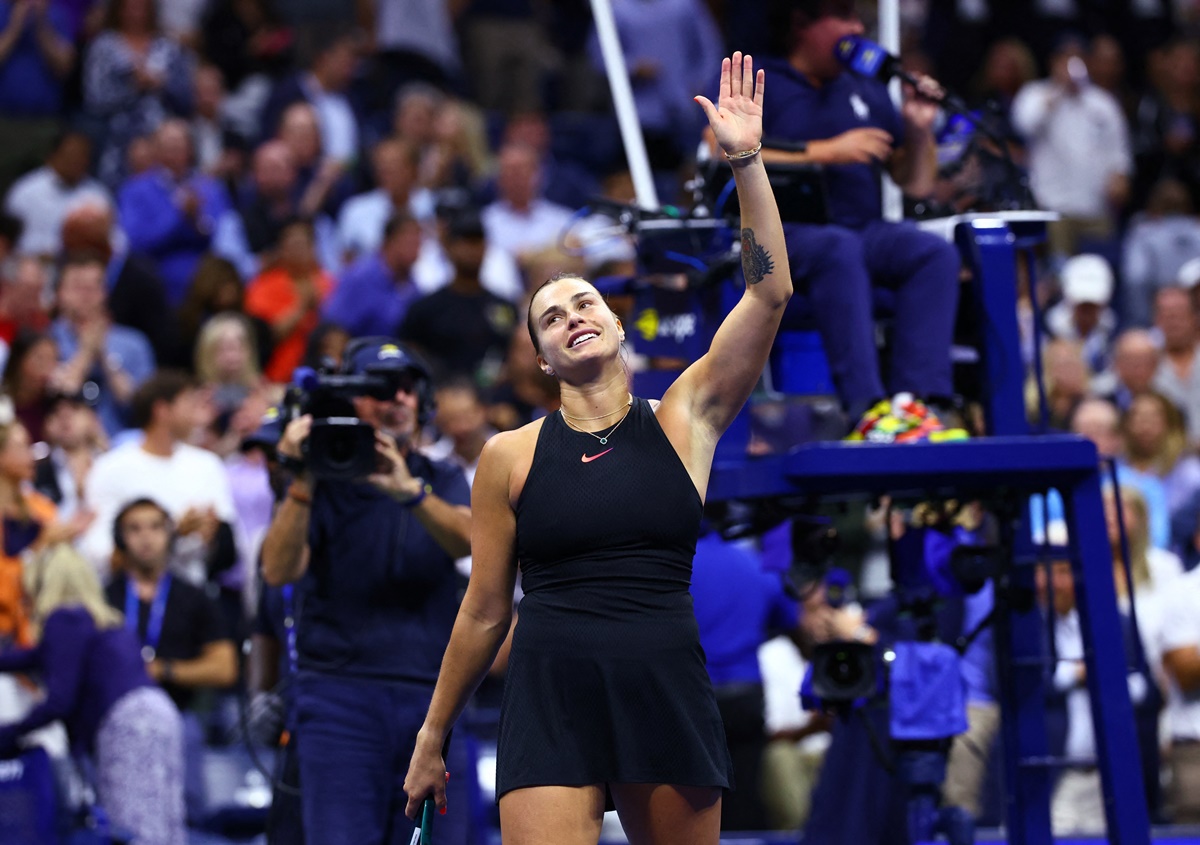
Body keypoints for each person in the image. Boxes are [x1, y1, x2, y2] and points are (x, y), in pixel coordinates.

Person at [403, 52, 790, 845]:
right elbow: (482, 611)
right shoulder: (508, 455)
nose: (572, 313)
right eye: (550, 315)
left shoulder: (687, 413)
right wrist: (432, 733)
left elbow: (769, 290)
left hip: (663, 682)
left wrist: (746, 162)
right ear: (540, 359)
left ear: (617, 326)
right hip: (551, 692)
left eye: (586, 300)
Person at [261, 337, 474, 845]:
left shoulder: (438, 477)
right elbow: (278, 570)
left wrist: (409, 493)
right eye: (379, 390)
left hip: (433, 698)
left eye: (405, 390)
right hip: (338, 698)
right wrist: (302, 476)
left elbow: (471, 541)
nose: (396, 400)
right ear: (349, 402)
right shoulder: (321, 482)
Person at [747, 0, 962, 440]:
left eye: (857, 19)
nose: (855, 28)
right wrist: (826, 152)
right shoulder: (766, 81)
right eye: (842, 18)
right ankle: (866, 412)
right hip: (784, 236)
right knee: (837, 249)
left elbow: (916, 183)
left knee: (933, 254)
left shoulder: (863, 88)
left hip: (861, 230)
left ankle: (914, 406)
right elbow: (717, 150)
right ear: (802, 24)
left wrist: (919, 128)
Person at [0, 544, 186, 845]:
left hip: (128, 723)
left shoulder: (63, 618)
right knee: (165, 824)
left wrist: (10, 734)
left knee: (134, 827)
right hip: (158, 713)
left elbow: (60, 699)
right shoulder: (95, 619)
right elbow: (31, 658)